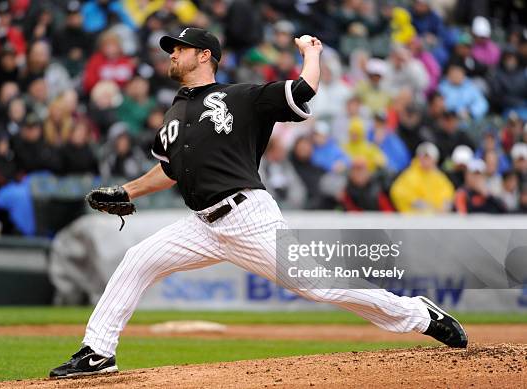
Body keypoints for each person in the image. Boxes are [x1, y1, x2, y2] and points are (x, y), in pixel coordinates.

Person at [49, 28, 468, 378]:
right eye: (171, 50)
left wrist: (311, 52)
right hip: (201, 225)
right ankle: (98, 352)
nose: (172, 55)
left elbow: (304, 89)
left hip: (248, 215)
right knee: (138, 258)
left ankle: (418, 314)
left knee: (321, 286)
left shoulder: (243, 96)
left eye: (179, 48)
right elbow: (170, 170)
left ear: (204, 55)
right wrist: (127, 191)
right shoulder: (175, 112)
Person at [390, 142, 455, 213]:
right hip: (414, 219)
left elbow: (448, 192)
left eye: (428, 158)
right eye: (423, 157)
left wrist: (445, 205)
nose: (425, 160)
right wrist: (414, 201)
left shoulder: (439, 177)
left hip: (436, 218)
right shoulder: (409, 175)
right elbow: (397, 192)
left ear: (435, 160)